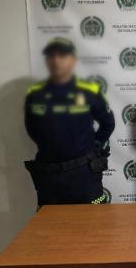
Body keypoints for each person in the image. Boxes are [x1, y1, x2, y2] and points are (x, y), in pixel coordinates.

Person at [24, 37, 115, 206]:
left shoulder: (89, 91)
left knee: (94, 220)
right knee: (50, 222)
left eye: (62, 55)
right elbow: (32, 129)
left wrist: (94, 145)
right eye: (51, 56)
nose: (56, 61)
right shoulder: (35, 95)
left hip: (84, 174)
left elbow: (108, 123)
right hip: (50, 175)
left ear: (73, 60)